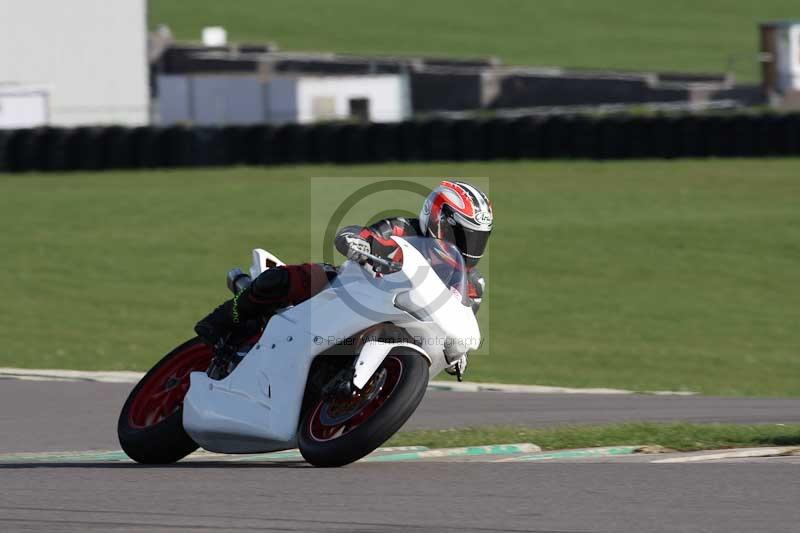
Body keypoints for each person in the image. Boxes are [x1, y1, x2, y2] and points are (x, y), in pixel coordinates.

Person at [194, 179, 492, 376]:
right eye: (462, 235)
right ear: (437, 219)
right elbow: (361, 234)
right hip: (358, 291)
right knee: (287, 279)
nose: (468, 247)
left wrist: (459, 350)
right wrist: (358, 241)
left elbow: (460, 321)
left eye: (476, 239)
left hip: (408, 328)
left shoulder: (472, 285)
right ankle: (223, 319)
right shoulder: (403, 228)